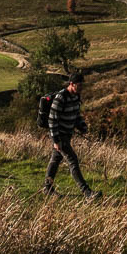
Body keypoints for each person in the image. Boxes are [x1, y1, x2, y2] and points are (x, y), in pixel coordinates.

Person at [43, 71, 101, 201]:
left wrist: (82, 126)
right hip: (60, 135)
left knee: (55, 160)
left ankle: (47, 189)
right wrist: (56, 140)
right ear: (71, 84)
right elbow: (52, 120)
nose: (81, 88)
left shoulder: (76, 97)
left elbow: (76, 115)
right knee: (73, 161)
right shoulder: (60, 98)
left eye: (82, 85)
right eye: (79, 85)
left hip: (68, 134)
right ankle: (87, 193)